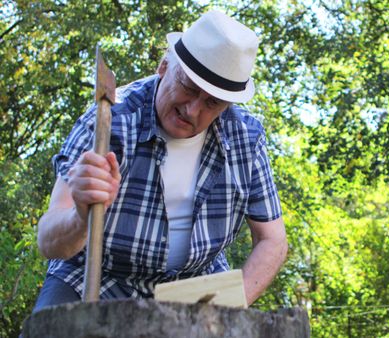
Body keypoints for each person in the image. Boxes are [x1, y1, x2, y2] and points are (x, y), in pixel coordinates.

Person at [33, 10, 287, 311]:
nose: (192, 110)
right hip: (97, 276)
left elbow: (273, 241)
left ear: (227, 105)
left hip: (196, 286)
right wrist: (80, 216)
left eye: (212, 102)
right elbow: (49, 241)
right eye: (189, 88)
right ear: (164, 66)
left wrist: (231, 304)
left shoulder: (246, 138)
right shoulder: (107, 121)